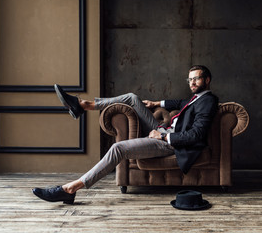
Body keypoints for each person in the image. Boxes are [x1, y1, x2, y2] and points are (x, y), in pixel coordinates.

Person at [32, 65, 219, 204]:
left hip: (171, 143)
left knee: (118, 148)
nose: (192, 83)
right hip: (164, 131)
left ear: (207, 80)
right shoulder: (197, 98)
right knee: (131, 98)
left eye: (197, 79)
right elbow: (180, 102)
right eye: (190, 80)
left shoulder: (208, 101)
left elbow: (196, 135)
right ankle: (84, 105)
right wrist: (156, 103)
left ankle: (70, 189)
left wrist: (162, 137)